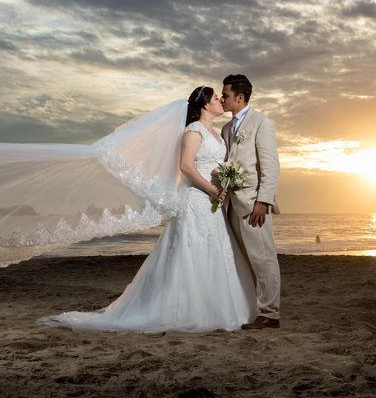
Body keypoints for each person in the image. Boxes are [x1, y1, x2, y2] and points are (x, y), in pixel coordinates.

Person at [37, 86, 256, 332]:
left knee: (215, 249)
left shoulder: (215, 133)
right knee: (192, 248)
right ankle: (183, 309)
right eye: (215, 97)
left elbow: (214, 165)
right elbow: (185, 166)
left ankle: (217, 305)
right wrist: (211, 189)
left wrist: (224, 182)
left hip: (212, 202)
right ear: (205, 105)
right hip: (196, 198)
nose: (220, 101)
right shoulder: (193, 131)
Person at [220, 74, 281, 330]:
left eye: (225, 95)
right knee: (241, 260)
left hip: (252, 203)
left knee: (263, 258)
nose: (221, 99)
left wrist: (263, 201)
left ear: (240, 97)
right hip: (230, 205)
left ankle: (270, 314)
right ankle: (249, 309)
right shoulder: (225, 129)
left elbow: (270, 165)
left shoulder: (261, 123)